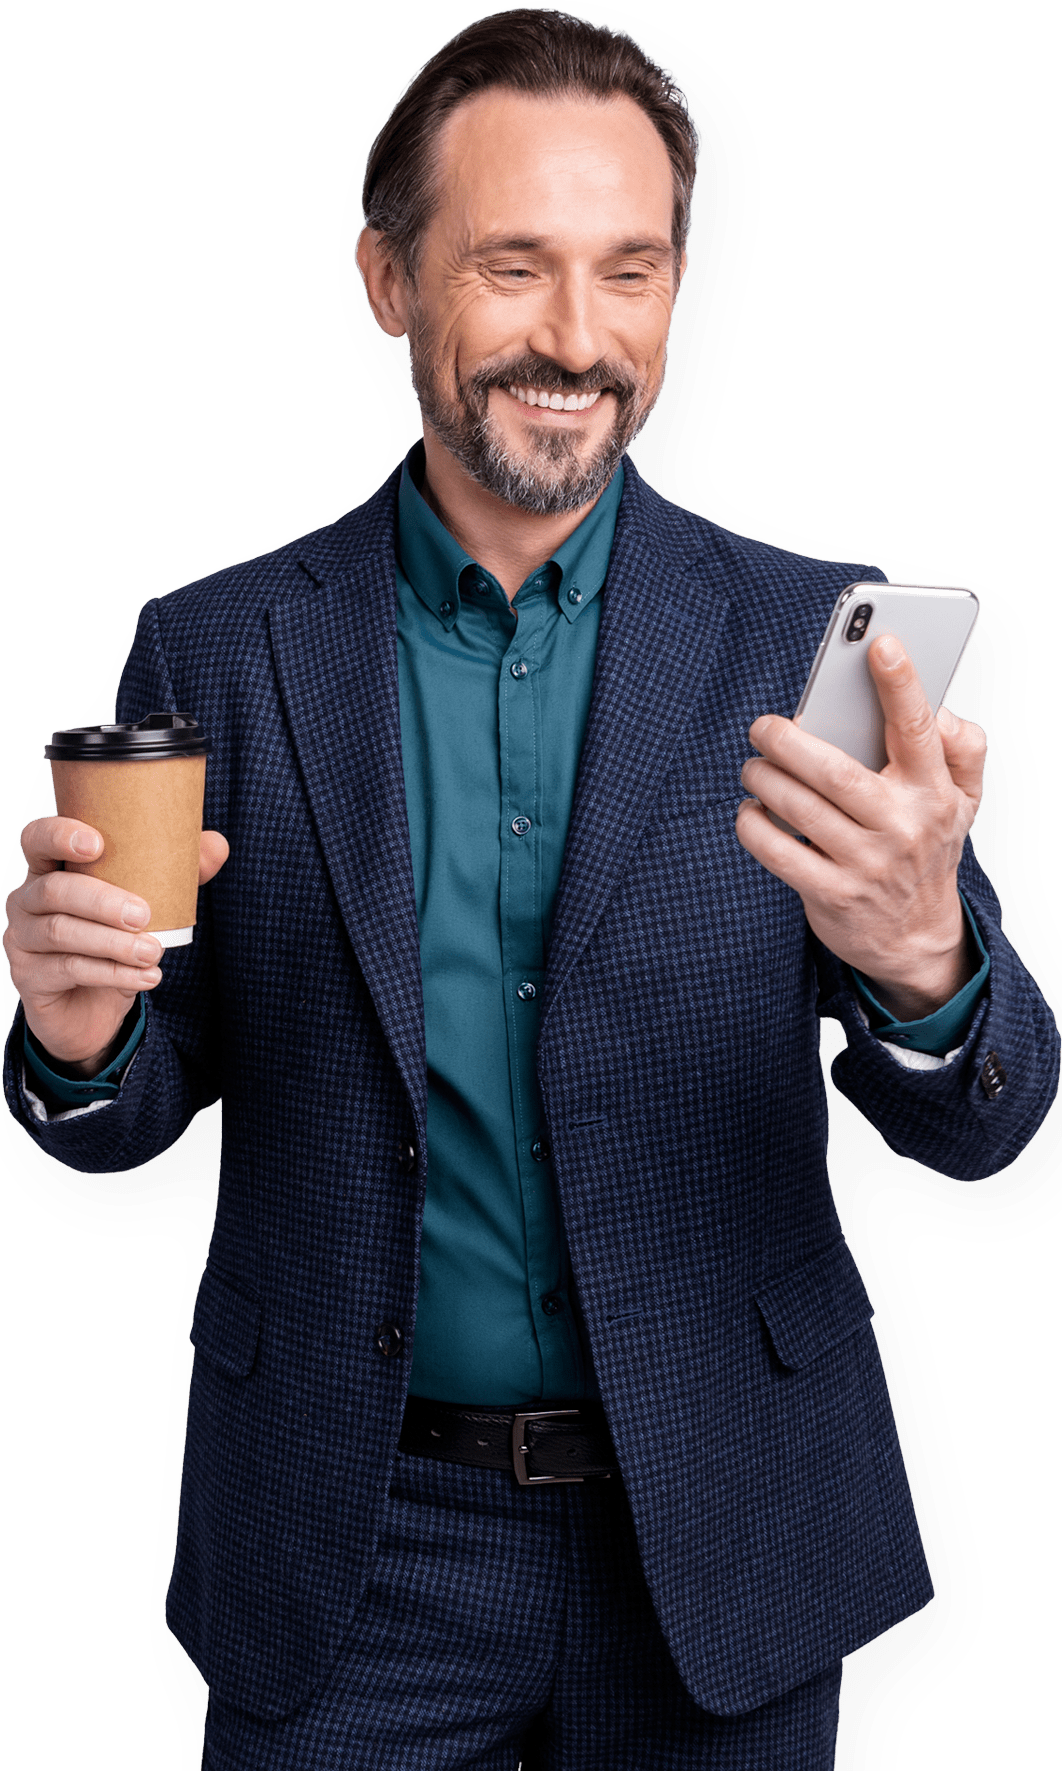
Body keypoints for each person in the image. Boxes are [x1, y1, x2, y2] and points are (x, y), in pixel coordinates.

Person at [3, 11, 1058, 1768]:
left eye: (629, 272)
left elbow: (992, 1131)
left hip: (718, 1526)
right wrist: (73, 1035)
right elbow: (112, 1116)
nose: (578, 339)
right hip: (349, 1544)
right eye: (513, 265)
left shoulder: (812, 650)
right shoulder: (216, 648)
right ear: (388, 278)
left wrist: (924, 964)